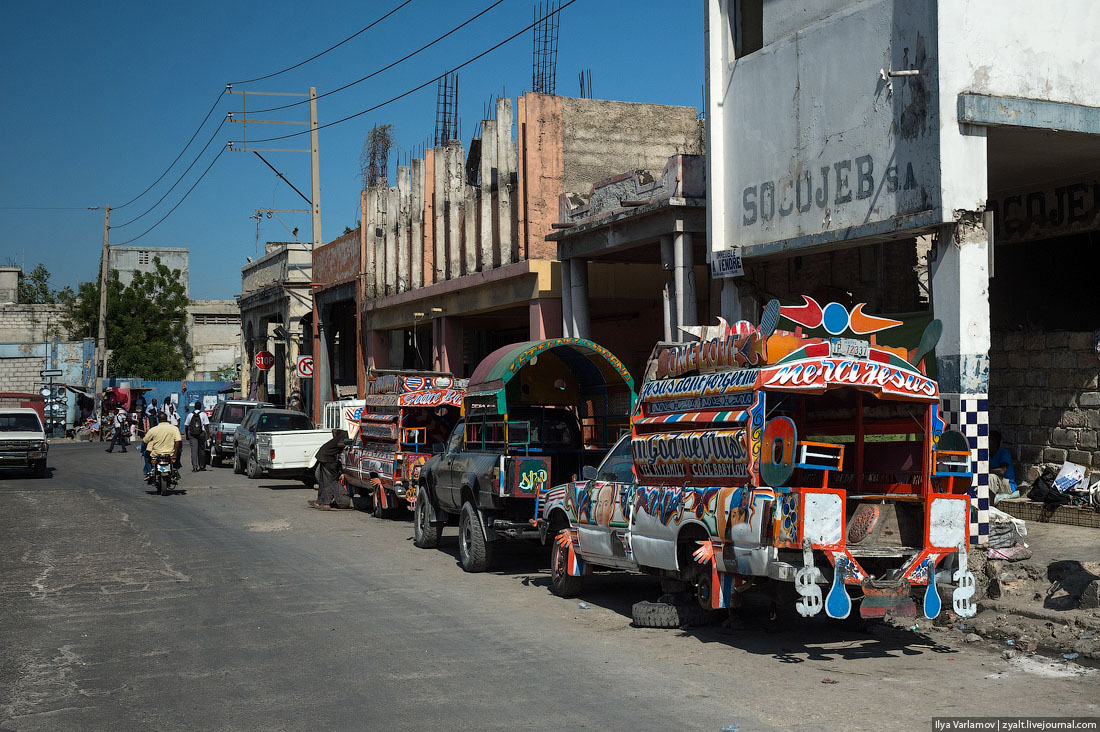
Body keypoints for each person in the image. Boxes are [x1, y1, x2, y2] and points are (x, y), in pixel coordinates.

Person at [308, 428, 351, 510]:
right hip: (327, 457)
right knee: (329, 480)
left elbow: (334, 430)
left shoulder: (344, 432)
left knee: (323, 480)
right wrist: (350, 443)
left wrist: (334, 439)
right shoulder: (348, 435)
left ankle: (319, 501)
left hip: (323, 454)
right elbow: (339, 444)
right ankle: (325, 503)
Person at [143, 411, 182, 483]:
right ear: (167, 419)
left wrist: (144, 448)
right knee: (179, 452)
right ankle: (175, 468)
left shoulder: (153, 430)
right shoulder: (174, 429)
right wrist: (175, 454)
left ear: (158, 419)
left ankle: (149, 472)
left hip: (156, 453)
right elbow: (178, 441)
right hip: (170, 453)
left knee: (146, 455)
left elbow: (145, 440)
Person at [989, 430, 1019, 504]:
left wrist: (987, 470)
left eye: (990, 440)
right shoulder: (987, 453)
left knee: (991, 477)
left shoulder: (1004, 453)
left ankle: (991, 505)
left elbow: (1002, 471)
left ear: (996, 443)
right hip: (996, 484)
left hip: (1008, 485)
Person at [182, 401, 210, 472]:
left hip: (192, 434)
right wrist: (208, 435)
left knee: (194, 451)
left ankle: (195, 467)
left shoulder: (190, 415)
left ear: (194, 407)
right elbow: (206, 426)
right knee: (202, 450)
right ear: (200, 407)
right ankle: (202, 466)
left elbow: (186, 426)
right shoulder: (203, 414)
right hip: (201, 434)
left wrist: (187, 435)